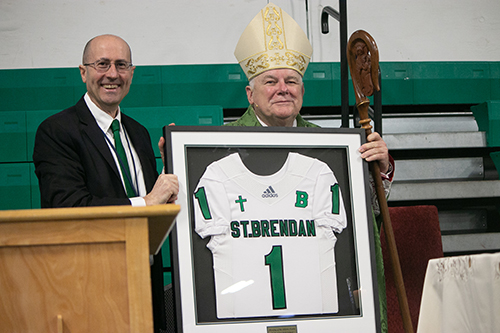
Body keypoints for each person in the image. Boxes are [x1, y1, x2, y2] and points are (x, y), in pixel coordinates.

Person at [226, 3, 393, 332]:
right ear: (250, 94)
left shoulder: (330, 146)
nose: (282, 88)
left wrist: (380, 170)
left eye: (291, 80)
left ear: (302, 91)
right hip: (253, 291)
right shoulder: (221, 147)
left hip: (316, 289)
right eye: (270, 81)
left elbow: (365, 213)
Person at [33, 34, 178, 207]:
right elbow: (69, 206)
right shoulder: (56, 132)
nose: (112, 74)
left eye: (121, 65)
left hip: (143, 235)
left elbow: (155, 201)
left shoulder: (139, 132)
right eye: (102, 64)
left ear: (131, 74)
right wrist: (147, 202)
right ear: (83, 73)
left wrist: (169, 166)